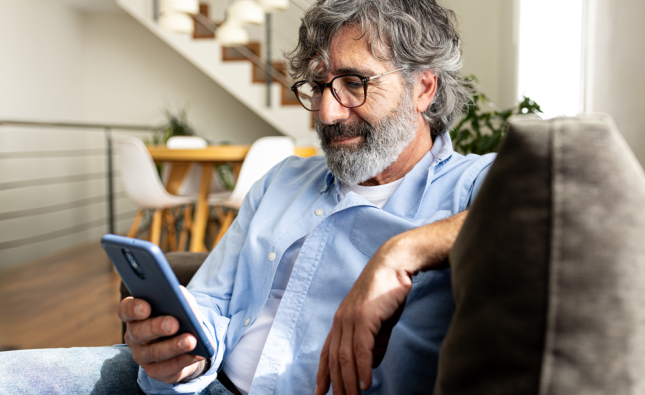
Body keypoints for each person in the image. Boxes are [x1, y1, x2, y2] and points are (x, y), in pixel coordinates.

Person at [0, 0, 494, 394]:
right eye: (318, 85)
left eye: (353, 83)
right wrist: (181, 351)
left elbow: (556, 215)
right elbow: (212, 300)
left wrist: (402, 250)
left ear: (423, 87)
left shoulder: (472, 186)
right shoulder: (283, 180)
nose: (326, 111)